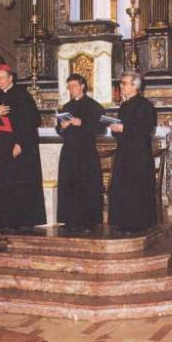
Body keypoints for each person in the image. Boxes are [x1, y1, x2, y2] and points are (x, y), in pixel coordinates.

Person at [0, 64, 45, 229]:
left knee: (19, 182)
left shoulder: (21, 95)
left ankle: (22, 220)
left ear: (11, 78)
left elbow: (30, 122)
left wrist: (21, 144)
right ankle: (2, 219)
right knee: (2, 182)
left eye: (2, 77)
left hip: (18, 146)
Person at [108, 72, 157, 233]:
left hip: (139, 155)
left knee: (136, 188)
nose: (121, 86)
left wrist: (124, 128)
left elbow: (146, 129)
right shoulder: (124, 106)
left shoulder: (145, 106)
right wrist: (115, 129)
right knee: (123, 187)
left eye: (124, 83)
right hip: (124, 153)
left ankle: (138, 223)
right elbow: (121, 130)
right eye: (121, 83)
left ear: (135, 85)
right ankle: (123, 222)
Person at [56, 74, 105, 231]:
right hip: (69, 151)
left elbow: (101, 128)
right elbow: (59, 129)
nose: (71, 90)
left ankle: (88, 221)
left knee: (86, 186)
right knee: (69, 184)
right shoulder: (66, 107)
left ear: (82, 86)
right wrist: (61, 127)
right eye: (69, 87)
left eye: (74, 86)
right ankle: (70, 220)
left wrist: (82, 122)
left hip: (85, 152)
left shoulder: (94, 106)